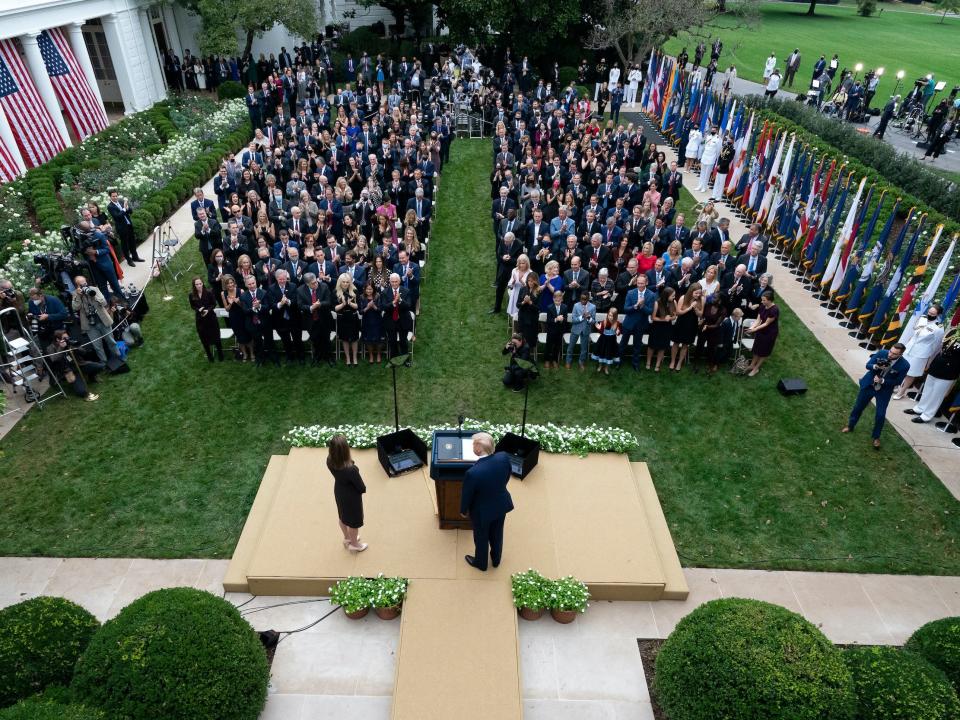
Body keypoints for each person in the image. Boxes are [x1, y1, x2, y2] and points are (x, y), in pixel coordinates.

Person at [460, 432, 514, 571]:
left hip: (481, 512)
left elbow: (467, 495)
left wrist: (463, 510)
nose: (472, 446)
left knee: (481, 537)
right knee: (497, 534)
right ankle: (496, 560)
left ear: (478, 449)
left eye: (473, 444)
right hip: (501, 505)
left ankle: (480, 563)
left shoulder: (473, 473)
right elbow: (507, 476)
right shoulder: (503, 457)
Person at [842, 342, 911, 449]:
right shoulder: (882, 352)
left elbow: (898, 381)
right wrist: (875, 366)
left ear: (900, 355)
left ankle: (876, 437)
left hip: (884, 391)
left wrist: (883, 380)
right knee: (858, 408)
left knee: (880, 415)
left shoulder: (905, 365)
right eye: (890, 351)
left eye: (894, 354)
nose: (890, 355)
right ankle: (850, 426)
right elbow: (868, 365)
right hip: (868, 385)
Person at [905, 329, 960, 424]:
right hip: (937, 365)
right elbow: (942, 346)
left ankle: (927, 416)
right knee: (927, 390)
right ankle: (919, 408)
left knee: (937, 395)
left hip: (950, 370)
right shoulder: (954, 331)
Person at [894, 304, 945, 399]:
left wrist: (929, 359)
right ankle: (897, 386)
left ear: (938, 315)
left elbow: (936, 345)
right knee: (902, 368)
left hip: (921, 353)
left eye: (933, 314)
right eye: (929, 312)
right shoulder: (922, 318)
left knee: (911, 373)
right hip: (909, 348)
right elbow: (913, 334)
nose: (930, 314)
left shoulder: (939, 328)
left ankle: (902, 391)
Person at [327, 434, 368, 552]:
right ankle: (355, 544)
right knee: (354, 523)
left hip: (339, 491)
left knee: (342, 516)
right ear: (345, 450)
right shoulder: (351, 470)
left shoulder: (329, 461)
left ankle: (347, 538)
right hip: (351, 497)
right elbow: (361, 487)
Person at [71, 276, 120, 364]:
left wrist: (93, 296)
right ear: (77, 286)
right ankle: (104, 363)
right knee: (97, 346)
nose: (84, 286)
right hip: (89, 325)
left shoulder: (94, 289)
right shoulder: (75, 294)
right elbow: (75, 307)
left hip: (102, 320)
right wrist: (79, 296)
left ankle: (118, 357)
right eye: (81, 285)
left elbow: (104, 302)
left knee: (111, 341)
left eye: (85, 283)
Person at [45, 329, 102, 402]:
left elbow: (84, 352)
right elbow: (54, 359)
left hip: (80, 365)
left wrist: (74, 347)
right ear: (57, 339)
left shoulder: (70, 342)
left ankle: (92, 377)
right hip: (69, 371)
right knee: (82, 392)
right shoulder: (50, 348)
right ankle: (78, 384)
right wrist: (61, 347)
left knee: (100, 367)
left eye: (67, 337)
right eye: (64, 338)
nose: (67, 339)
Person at [743, 290, 778, 376]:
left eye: (764, 300)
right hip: (761, 330)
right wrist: (751, 327)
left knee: (763, 351)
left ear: (770, 300)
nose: (762, 302)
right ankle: (752, 365)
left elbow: (766, 323)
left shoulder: (774, 310)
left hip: (769, 333)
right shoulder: (762, 306)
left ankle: (756, 368)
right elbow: (759, 319)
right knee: (757, 348)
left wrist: (754, 330)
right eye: (762, 300)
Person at [189, 277, 223, 362]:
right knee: (204, 338)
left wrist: (208, 310)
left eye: (200, 283)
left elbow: (214, 304)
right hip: (200, 319)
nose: (199, 286)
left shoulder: (209, 292)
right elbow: (192, 306)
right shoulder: (192, 295)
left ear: (202, 283)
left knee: (216, 337)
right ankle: (209, 356)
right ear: (194, 285)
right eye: (197, 284)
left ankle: (220, 355)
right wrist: (198, 309)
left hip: (211, 318)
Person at [648, 286, 676, 371]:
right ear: (666, 296)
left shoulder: (673, 302)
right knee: (652, 346)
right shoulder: (657, 303)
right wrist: (664, 319)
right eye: (673, 296)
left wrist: (670, 318)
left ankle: (657, 364)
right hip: (657, 327)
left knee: (662, 347)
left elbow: (675, 316)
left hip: (667, 328)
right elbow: (653, 317)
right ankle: (648, 362)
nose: (674, 297)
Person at [334, 272, 360, 365]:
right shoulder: (336, 292)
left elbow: (358, 307)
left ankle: (355, 358)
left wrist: (350, 304)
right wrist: (343, 304)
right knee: (344, 339)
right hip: (342, 318)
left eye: (347, 282)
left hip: (353, 317)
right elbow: (335, 308)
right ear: (340, 282)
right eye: (343, 282)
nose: (345, 284)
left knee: (354, 339)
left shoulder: (355, 291)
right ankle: (348, 358)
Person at [566, 291, 595, 370]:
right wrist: (582, 317)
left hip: (586, 330)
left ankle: (581, 362)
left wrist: (589, 317)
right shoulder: (576, 306)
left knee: (584, 349)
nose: (583, 301)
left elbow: (593, 322)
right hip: (575, 329)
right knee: (570, 347)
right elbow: (573, 320)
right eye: (581, 299)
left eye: (585, 299)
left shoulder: (593, 307)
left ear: (588, 299)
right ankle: (568, 361)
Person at [591, 307, 621, 374]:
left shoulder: (617, 323)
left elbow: (618, 333)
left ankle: (606, 368)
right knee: (601, 353)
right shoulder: (604, 322)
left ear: (615, 316)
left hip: (611, 342)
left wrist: (618, 332)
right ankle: (600, 366)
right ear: (607, 315)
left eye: (612, 316)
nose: (610, 317)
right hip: (603, 341)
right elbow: (601, 331)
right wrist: (598, 327)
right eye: (609, 315)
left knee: (609, 354)